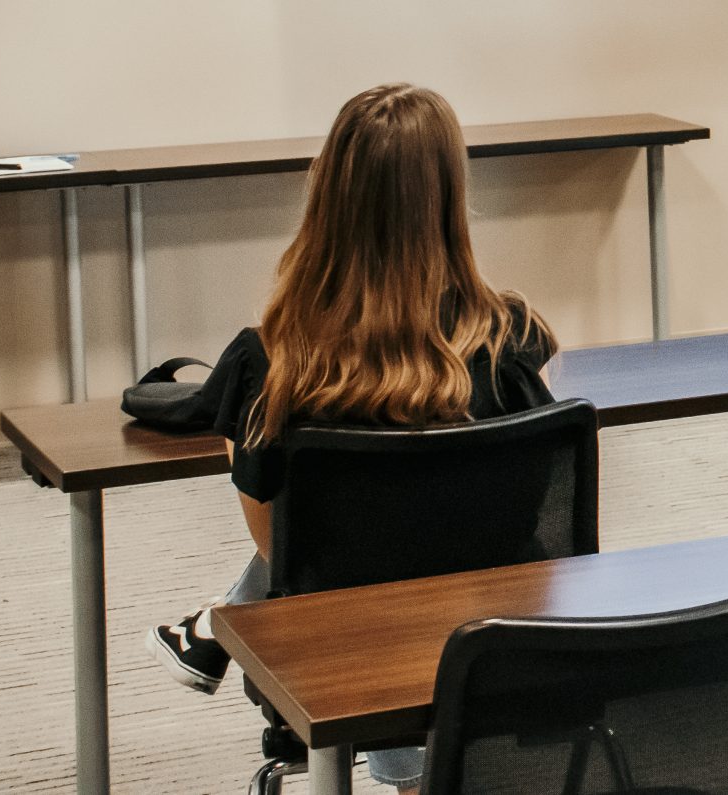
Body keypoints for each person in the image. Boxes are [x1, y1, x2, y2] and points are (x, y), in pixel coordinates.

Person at [148, 84, 557, 793]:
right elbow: (530, 506)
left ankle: (220, 624)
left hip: (345, 651)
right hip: (505, 635)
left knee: (356, 569)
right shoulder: (513, 338)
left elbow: (282, 552)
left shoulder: (270, 361)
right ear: (450, 196)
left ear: (328, 195)